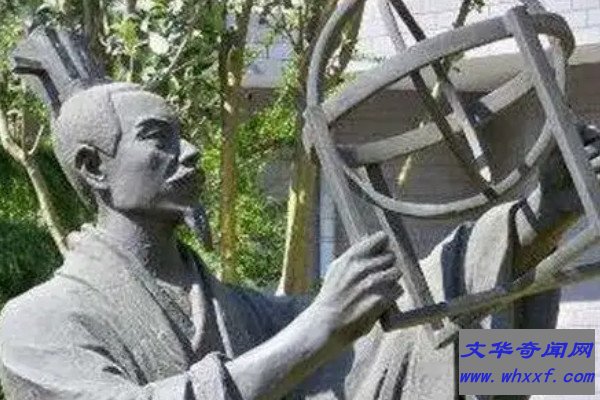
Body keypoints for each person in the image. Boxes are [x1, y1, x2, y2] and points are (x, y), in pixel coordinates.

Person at [1, 27, 599, 400]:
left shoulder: (235, 309)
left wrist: (533, 223)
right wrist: (317, 329)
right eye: (158, 138)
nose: (191, 152)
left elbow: (378, 354)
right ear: (94, 168)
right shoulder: (34, 325)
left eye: (184, 134)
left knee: (526, 364)